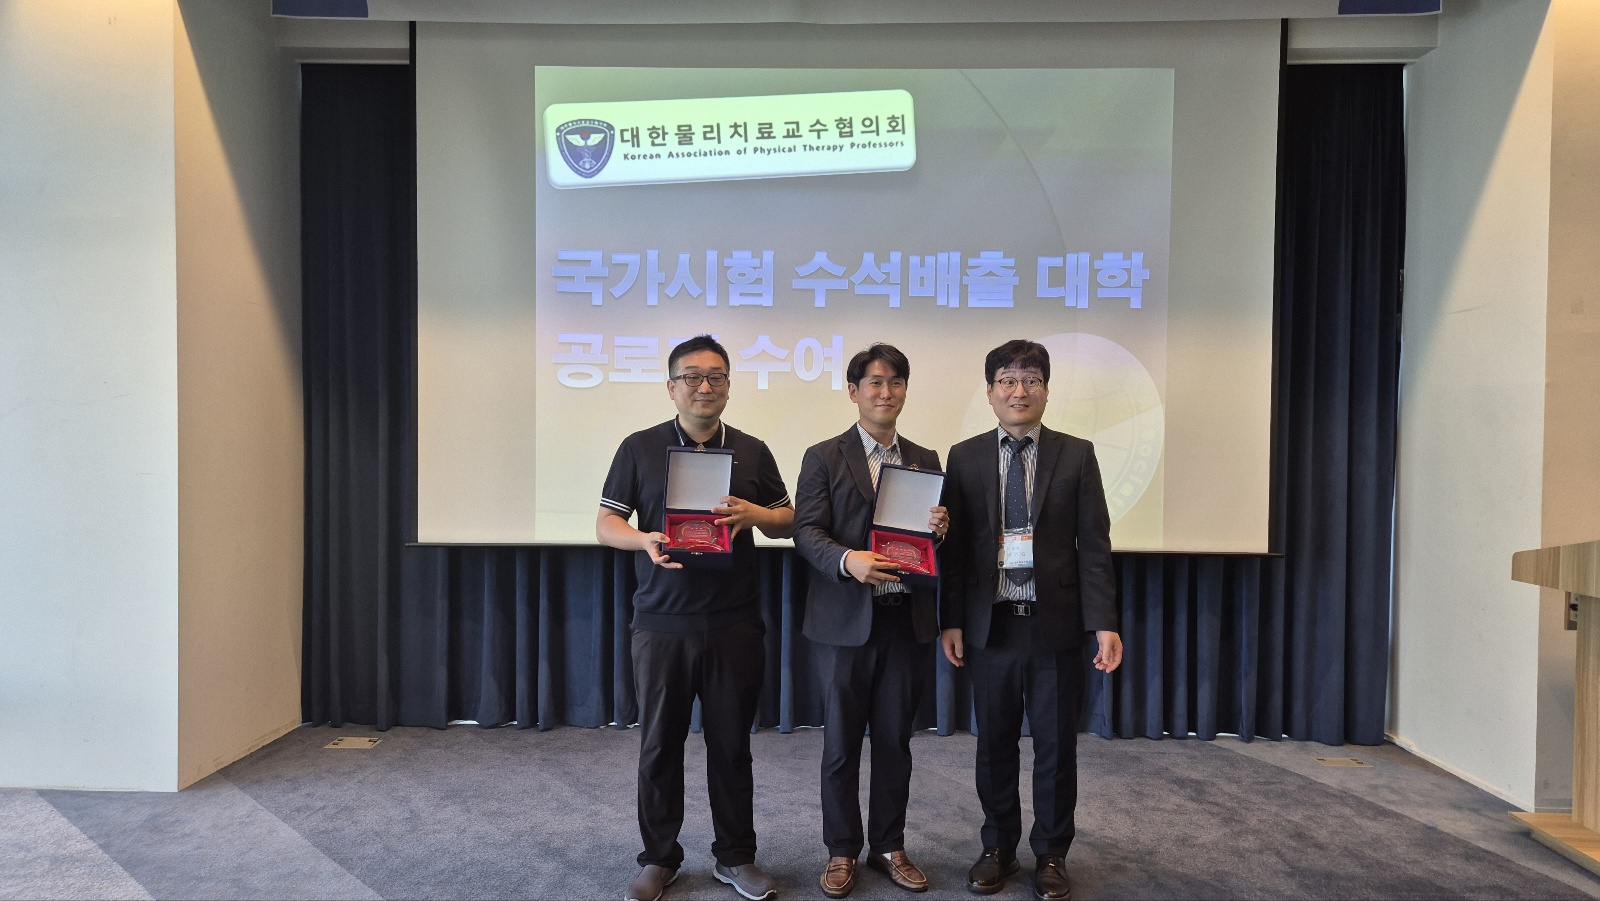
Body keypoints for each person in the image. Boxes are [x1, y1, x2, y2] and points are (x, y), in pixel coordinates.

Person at [597, 335, 794, 901]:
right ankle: (659, 858)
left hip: (734, 622)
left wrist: (756, 515)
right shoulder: (639, 447)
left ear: (728, 385)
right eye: (692, 376)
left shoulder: (752, 450)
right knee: (659, 745)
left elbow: (788, 519)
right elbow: (606, 524)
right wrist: (642, 539)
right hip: (661, 623)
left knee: (732, 747)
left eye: (716, 377)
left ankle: (734, 857)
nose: (705, 386)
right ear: (671, 386)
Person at [937, 339, 1123, 901]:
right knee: (993, 744)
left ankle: (1051, 853)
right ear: (990, 391)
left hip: (1054, 625)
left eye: (1031, 380)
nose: (1019, 391)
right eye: (1008, 381)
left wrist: (1104, 622)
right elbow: (955, 550)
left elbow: (1094, 545)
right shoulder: (964, 456)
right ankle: (997, 847)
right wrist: (951, 620)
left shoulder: (1076, 454)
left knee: (1056, 746)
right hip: (991, 624)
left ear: (1045, 389)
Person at [792, 344, 948, 898]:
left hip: (904, 621)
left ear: (905, 390)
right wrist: (846, 561)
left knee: (894, 743)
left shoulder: (926, 459)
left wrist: (941, 530)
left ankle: (888, 845)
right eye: (875, 383)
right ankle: (841, 850)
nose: (886, 392)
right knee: (840, 746)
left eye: (896, 382)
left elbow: (928, 547)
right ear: (854, 391)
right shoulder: (824, 456)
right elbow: (805, 531)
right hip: (844, 623)